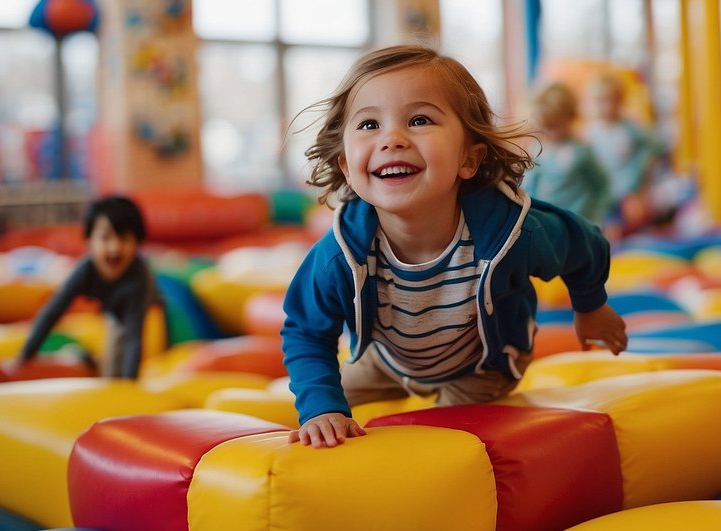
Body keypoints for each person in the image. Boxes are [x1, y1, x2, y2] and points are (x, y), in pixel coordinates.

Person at [282, 45, 626, 448]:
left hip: (481, 368)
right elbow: (305, 329)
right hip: (387, 360)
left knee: (440, 444)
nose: (392, 138)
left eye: (419, 120)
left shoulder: (510, 232)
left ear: (469, 158)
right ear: (346, 165)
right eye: (369, 125)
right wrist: (323, 409)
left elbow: (582, 242)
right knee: (321, 407)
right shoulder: (342, 251)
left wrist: (591, 307)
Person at [15, 195, 163, 379]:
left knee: (120, 346)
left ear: (137, 244)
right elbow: (52, 311)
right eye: (105, 238)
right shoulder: (85, 270)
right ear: (89, 242)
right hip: (112, 309)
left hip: (146, 309)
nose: (114, 248)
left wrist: (129, 388)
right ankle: (89, 361)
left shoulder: (139, 278)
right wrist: (24, 357)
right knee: (112, 356)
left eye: (124, 238)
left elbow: (134, 338)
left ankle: (102, 367)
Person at [580, 70, 665, 235]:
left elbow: (656, 149)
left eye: (609, 101)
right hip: (602, 195)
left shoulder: (630, 128)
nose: (604, 107)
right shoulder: (590, 132)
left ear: (620, 102)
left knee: (616, 230)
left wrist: (640, 189)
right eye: (598, 101)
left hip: (625, 194)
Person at [522, 81, 612, 226]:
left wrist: (596, 215)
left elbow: (601, 185)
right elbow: (530, 186)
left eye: (552, 126)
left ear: (569, 118)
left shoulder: (580, 151)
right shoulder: (537, 149)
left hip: (579, 222)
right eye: (542, 126)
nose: (547, 133)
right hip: (548, 222)